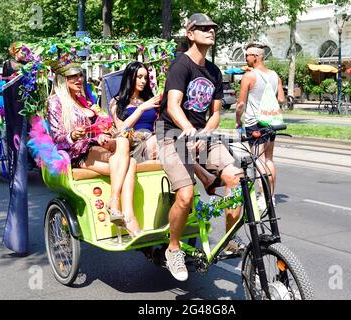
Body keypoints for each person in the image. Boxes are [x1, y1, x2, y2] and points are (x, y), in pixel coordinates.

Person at [155, 13, 244, 281]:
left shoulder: (214, 71)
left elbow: (215, 113)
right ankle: (173, 249)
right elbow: (172, 106)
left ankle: (229, 238)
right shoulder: (180, 66)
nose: (210, 31)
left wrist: (205, 132)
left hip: (200, 135)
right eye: (203, 28)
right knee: (185, 195)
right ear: (190, 33)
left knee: (236, 178)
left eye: (213, 28)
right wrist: (188, 131)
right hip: (170, 133)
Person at [47, 53, 141, 237]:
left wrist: (104, 134)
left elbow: (102, 124)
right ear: (62, 79)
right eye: (73, 76)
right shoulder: (55, 102)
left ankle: (117, 206)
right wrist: (73, 135)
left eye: (80, 75)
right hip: (76, 153)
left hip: (96, 149)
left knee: (125, 147)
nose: (79, 79)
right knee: (130, 163)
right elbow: (57, 138)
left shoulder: (86, 101)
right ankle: (125, 214)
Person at [110, 61, 220, 193]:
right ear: (130, 77)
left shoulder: (150, 99)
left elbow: (163, 121)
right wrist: (141, 109)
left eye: (145, 77)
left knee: (170, 141)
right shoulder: (117, 102)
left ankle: (197, 180)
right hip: (133, 144)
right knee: (162, 143)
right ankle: (205, 176)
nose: (143, 81)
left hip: (153, 140)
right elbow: (121, 129)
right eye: (139, 77)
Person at [235, 43, 285, 209]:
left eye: (247, 55)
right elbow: (282, 100)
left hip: (255, 122)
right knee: (269, 159)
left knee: (258, 160)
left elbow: (241, 103)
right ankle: (271, 196)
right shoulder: (274, 75)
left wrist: (237, 120)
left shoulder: (249, 76)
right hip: (270, 121)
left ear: (256, 56)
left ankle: (263, 198)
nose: (246, 58)